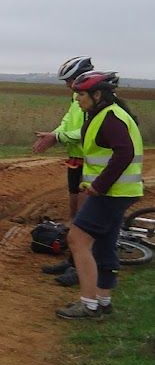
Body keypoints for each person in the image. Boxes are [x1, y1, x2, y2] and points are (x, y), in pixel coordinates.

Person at [55, 71, 144, 320]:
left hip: (111, 193)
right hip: (119, 192)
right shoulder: (105, 115)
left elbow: (124, 153)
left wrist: (101, 185)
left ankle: (88, 305)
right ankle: (103, 301)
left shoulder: (110, 118)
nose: (77, 99)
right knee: (104, 245)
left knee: (77, 240)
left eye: (81, 94)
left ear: (97, 95)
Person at [31, 56, 94, 284]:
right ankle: (72, 259)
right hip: (75, 158)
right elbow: (68, 123)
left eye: (70, 80)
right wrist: (54, 134)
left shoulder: (95, 100)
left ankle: (83, 268)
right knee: (74, 214)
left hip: (90, 160)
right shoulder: (76, 98)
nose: (69, 86)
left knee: (86, 218)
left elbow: (87, 131)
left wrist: (56, 137)